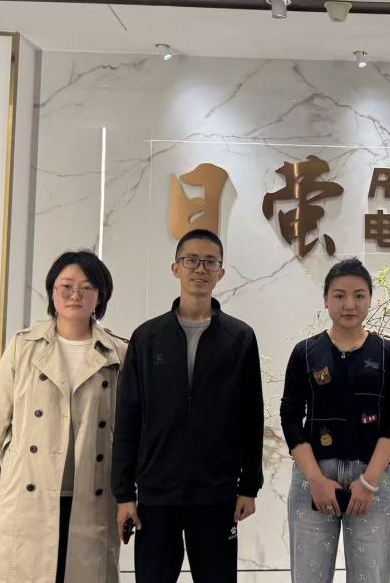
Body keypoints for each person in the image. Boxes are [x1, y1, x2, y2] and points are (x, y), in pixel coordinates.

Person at [113, 228, 264, 583]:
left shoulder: (239, 338)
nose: (200, 268)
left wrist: (249, 486)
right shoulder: (147, 338)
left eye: (210, 262)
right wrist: (124, 494)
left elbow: (251, 417)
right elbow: (129, 418)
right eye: (191, 260)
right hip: (157, 494)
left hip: (216, 493)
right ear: (176, 268)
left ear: (221, 273)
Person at [0, 250, 126, 583]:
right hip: (27, 493)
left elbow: (130, 433)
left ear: (100, 296)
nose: (75, 295)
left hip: (93, 495)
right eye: (66, 286)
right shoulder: (23, 347)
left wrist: (130, 496)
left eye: (86, 287)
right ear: (52, 291)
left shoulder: (118, 353)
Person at [280, 257, 390, 583]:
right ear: (326, 299)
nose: (349, 304)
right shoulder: (305, 352)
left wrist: (369, 482)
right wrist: (315, 480)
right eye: (339, 295)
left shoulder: (387, 354)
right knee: (308, 577)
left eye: (359, 295)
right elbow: (290, 417)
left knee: (370, 577)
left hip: (371, 477)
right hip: (314, 476)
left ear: (370, 299)